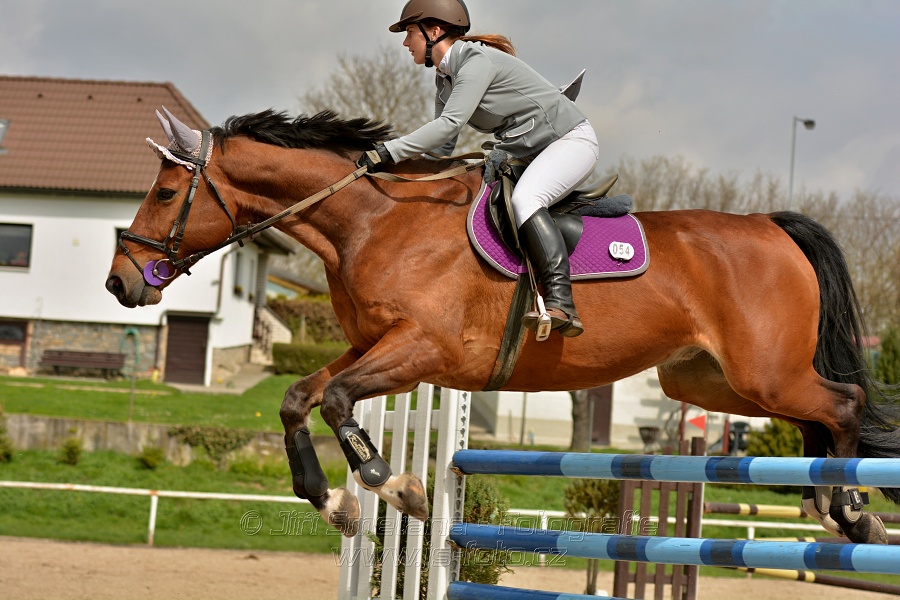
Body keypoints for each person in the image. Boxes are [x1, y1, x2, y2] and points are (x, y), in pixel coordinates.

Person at [357, 0, 599, 338]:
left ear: (434, 32)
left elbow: (447, 125)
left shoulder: (475, 61)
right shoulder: (445, 81)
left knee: (526, 200)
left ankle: (562, 303)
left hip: (571, 141)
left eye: (409, 32)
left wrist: (388, 151)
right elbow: (443, 149)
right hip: (535, 151)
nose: (405, 42)